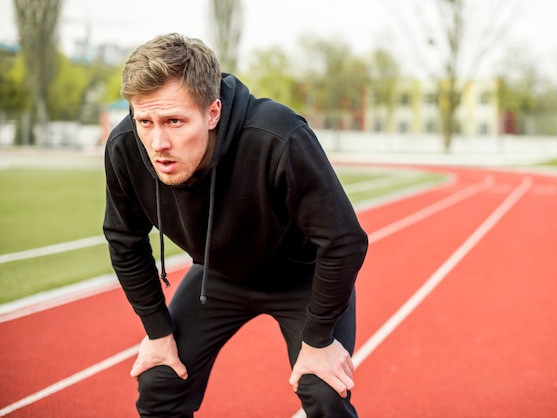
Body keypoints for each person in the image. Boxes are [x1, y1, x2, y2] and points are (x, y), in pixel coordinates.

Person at [102, 33, 368, 417]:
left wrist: (318, 340)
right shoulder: (127, 147)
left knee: (323, 388)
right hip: (217, 275)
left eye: (174, 121)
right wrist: (158, 332)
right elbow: (124, 239)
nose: (157, 141)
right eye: (145, 120)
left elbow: (344, 240)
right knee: (159, 378)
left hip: (300, 277)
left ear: (213, 112)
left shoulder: (276, 137)